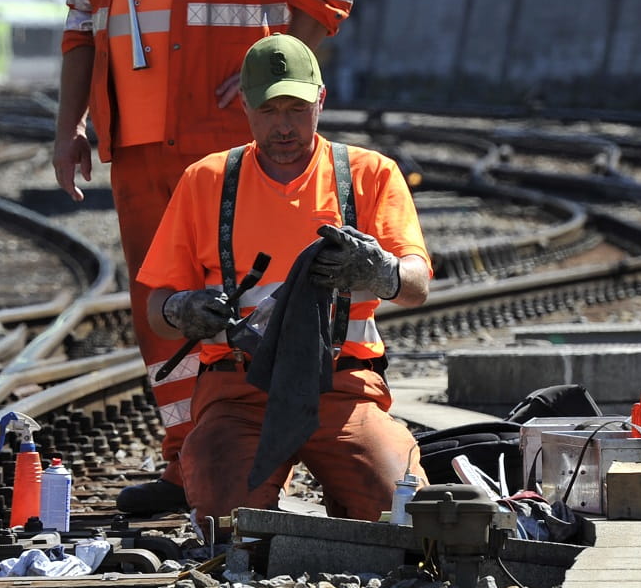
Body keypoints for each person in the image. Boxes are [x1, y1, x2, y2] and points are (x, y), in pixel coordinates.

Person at [51, 0, 362, 516]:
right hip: (137, 142)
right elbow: (84, 20)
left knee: (243, 294)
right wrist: (72, 126)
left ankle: (257, 452)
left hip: (222, 137)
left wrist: (276, 59)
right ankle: (187, 456)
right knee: (161, 299)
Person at [136, 33, 430, 530]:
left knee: (396, 514)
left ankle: (346, 494)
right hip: (237, 391)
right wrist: (181, 310)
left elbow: (417, 284)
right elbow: (155, 310)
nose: (284, 126)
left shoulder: (371, 174)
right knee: (226, 523)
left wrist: (381, 271)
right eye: (270, 110)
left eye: (296, 108)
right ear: (247, 108)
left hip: (341, 388)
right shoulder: (205, 181)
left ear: (321, 100)